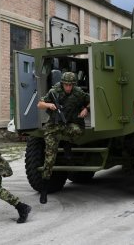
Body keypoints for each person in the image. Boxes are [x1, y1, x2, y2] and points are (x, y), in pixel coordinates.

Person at [37, 72, 90, 204]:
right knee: (49, 159)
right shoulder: (54, 91)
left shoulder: (78, 92)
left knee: (78, 131)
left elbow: (89, 101)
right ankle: (44, 191)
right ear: (62, 83)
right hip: (54, 125)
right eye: (66, 84)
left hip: (68, 124)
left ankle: (67, 143)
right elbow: (40, 104)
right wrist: (49, 105)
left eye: (70, 85)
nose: (68, 87)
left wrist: (86, 109)